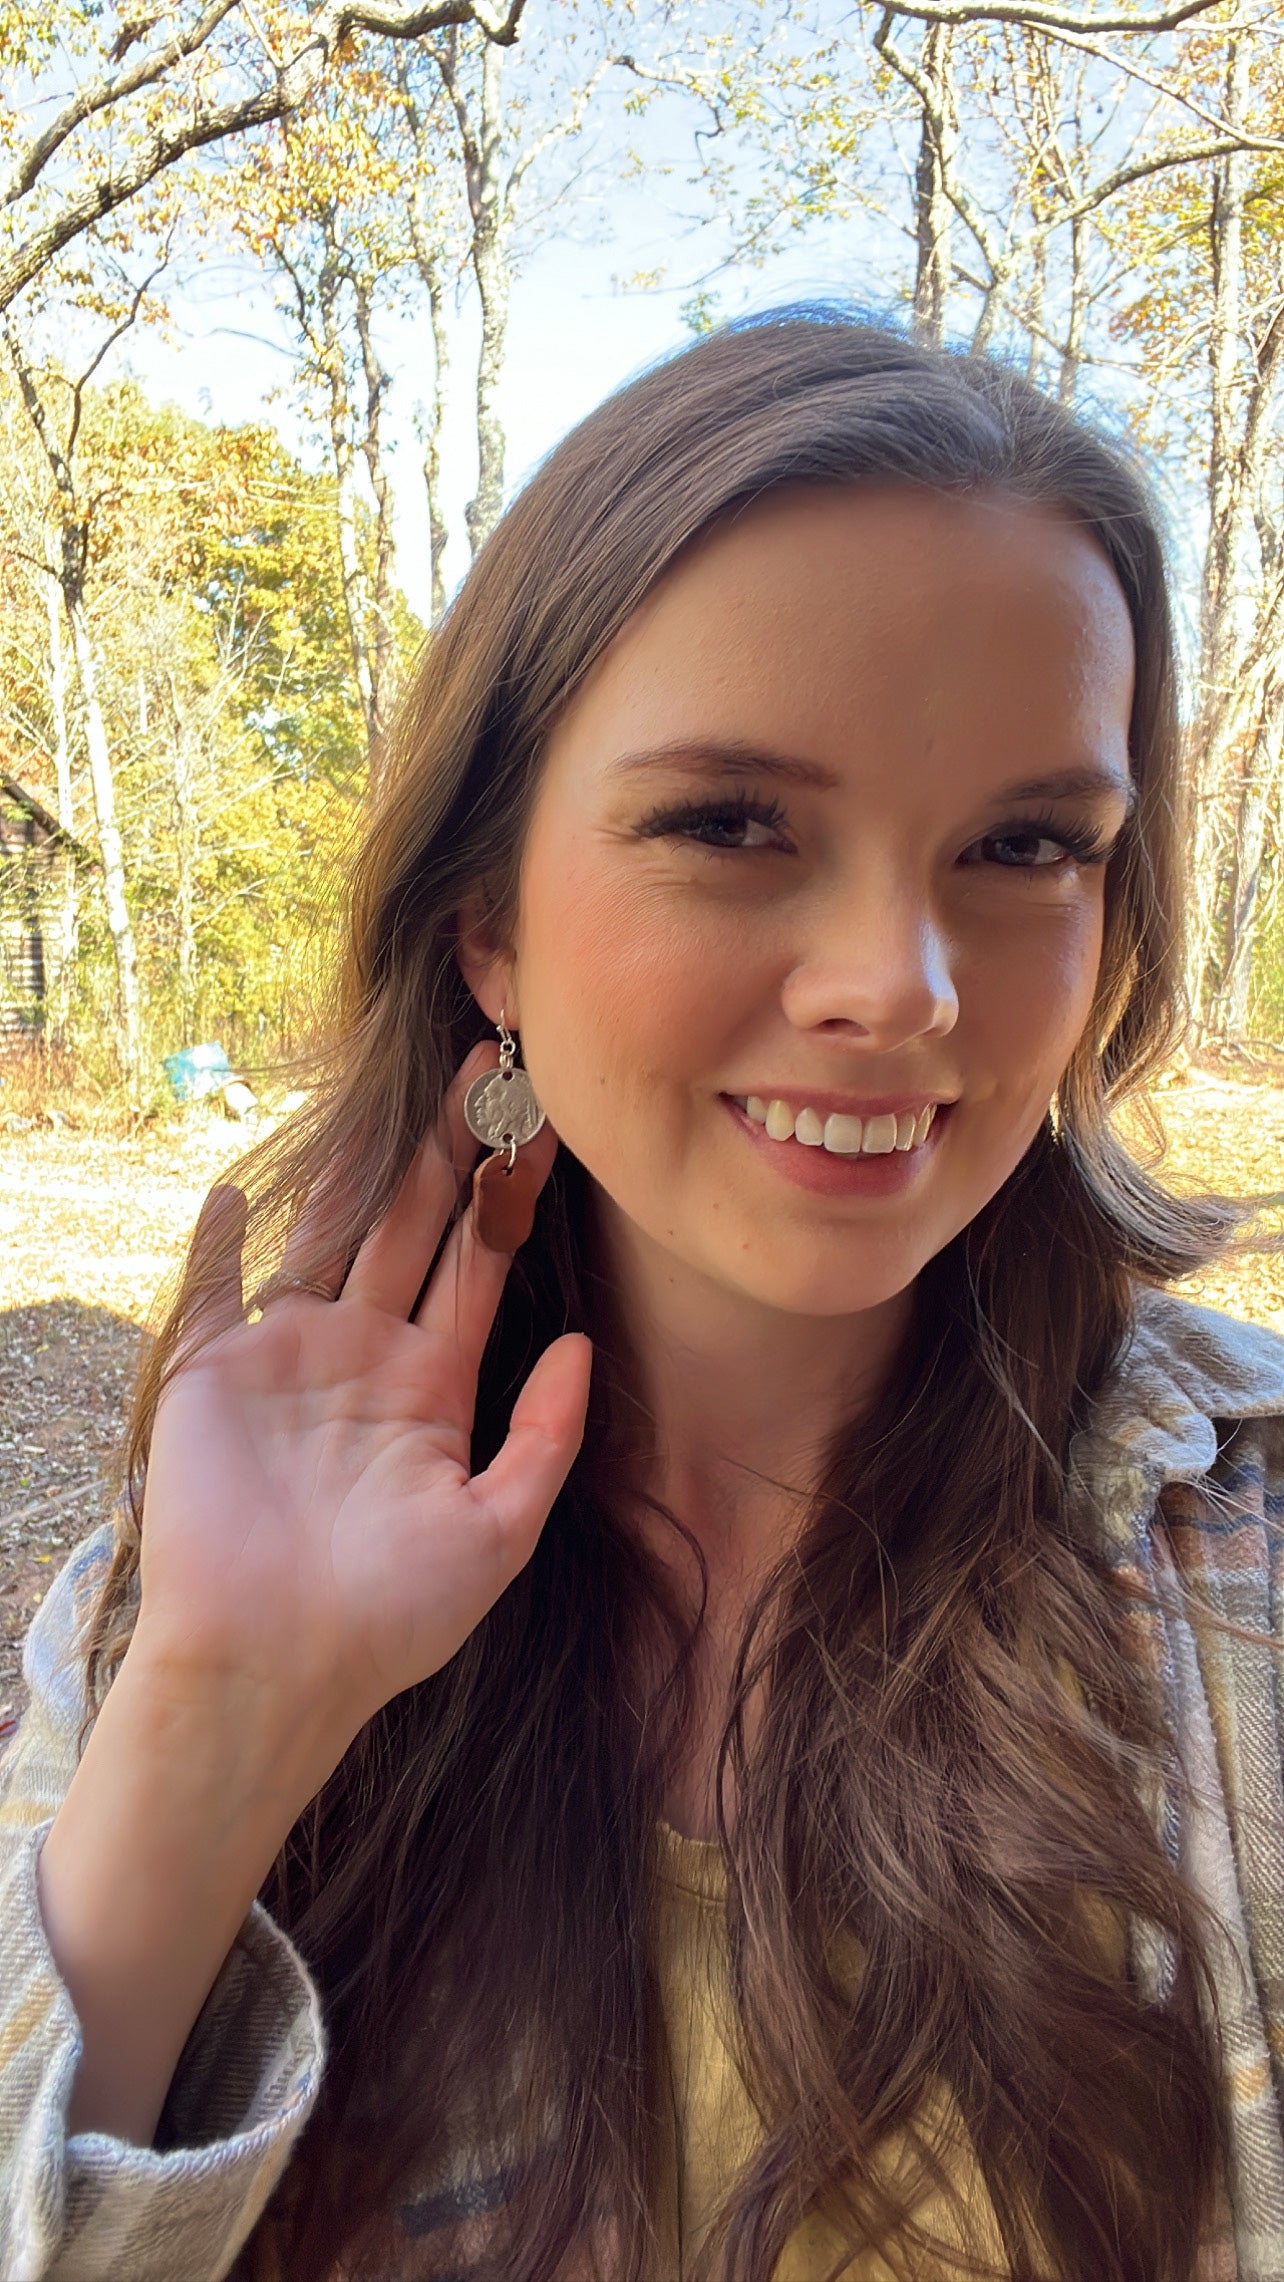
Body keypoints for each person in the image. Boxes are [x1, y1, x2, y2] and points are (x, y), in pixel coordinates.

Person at [1, 309, 1283, 2282]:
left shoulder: (1245, 1570)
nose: (903, 983)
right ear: (487, 924)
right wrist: (225, 1709)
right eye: (734, 824)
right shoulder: (188, 1586)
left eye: (1026, 844)